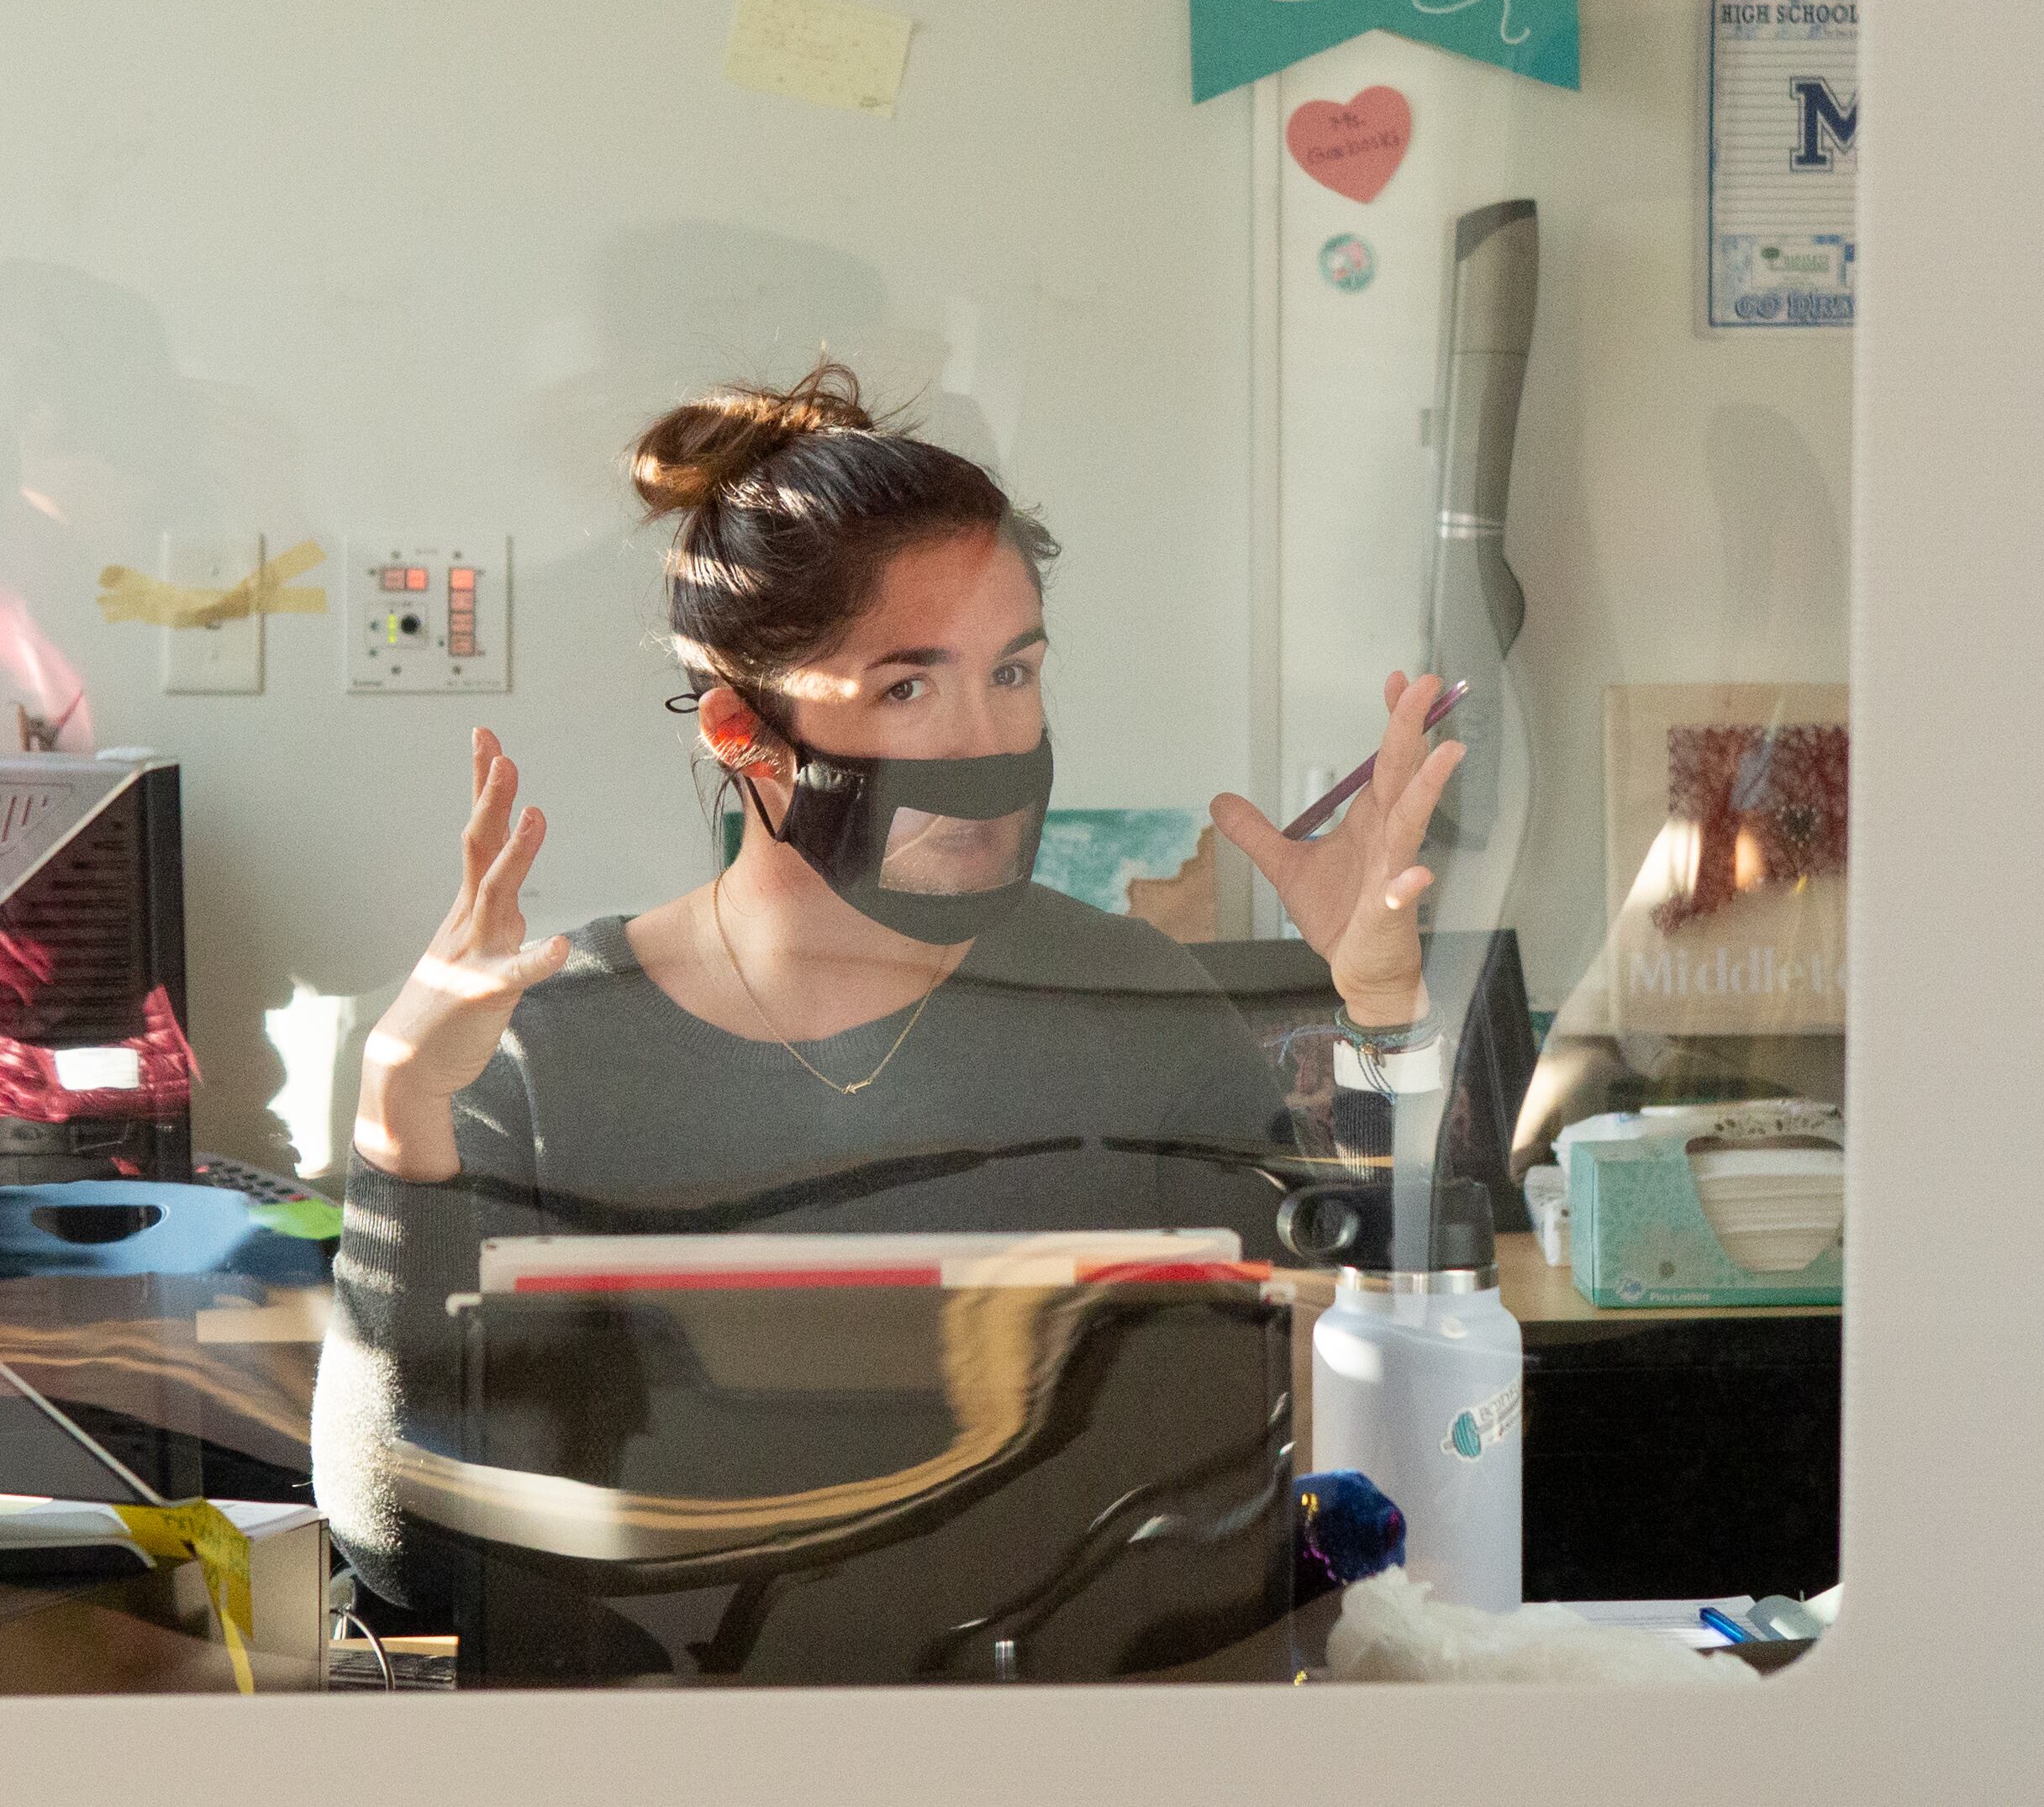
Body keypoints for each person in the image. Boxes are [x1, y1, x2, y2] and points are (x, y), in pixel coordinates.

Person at [314, 361, 1461, 1625]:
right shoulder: (548, 1045)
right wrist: (397, 1119)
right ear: (741, 733)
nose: (987, 742)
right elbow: (415, 1566)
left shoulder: (1127, 1002)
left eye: (1012, 674)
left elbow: (1373, 1427)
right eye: (908, 687)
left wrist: (1382, 1010)